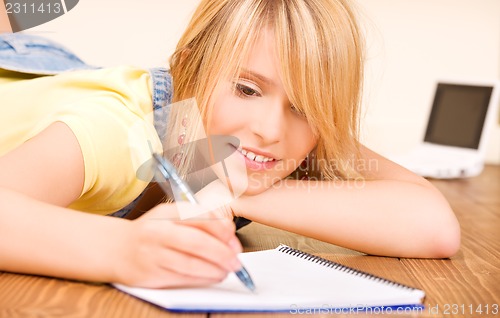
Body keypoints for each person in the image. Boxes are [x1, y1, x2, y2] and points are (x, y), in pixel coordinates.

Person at [0, 0, 460, 289]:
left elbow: (434, 227)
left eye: (305, 106)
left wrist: (227, 188)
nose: (272, 129)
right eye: (246, 88)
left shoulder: (257, 140)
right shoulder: (120, 131)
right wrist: (123, 249)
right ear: (189, 69)